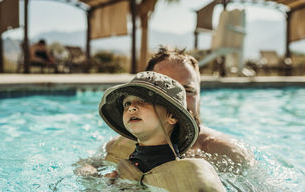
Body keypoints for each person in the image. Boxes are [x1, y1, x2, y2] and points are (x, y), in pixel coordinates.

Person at [98, 71, 230, 192]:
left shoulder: (190, 174)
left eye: (142, 101)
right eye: (127, 103)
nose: (131, 107)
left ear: (172, 116)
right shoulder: (125, 163)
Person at [105, 47, 254, 168]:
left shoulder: (226, 152)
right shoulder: (117, 147)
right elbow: (89, 171)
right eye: (163, 89)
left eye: (187, 91)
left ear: (200, 97)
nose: (177, 100)